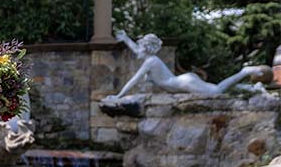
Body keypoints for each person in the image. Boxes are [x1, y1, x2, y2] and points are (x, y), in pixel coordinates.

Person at [112, 30, 265, 99]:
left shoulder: (150, 62)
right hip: (184, 82)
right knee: (216, 89)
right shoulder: (151, 58)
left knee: (216, 91)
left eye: (140, 47)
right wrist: (126, 39)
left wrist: (119, 96)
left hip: (184, 84)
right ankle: (251, 88)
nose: (137, 50)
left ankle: (244, 72)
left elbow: (134, 80)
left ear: (146, 49)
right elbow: (136, 50)